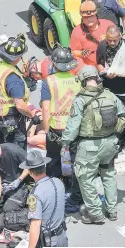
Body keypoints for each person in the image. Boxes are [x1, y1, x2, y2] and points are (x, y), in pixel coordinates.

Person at [61, 66, 125, 224]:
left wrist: (64, 143)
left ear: (84, 81)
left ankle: (95, 214)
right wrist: (117, 131)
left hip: (89, 146)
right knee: (109, 174)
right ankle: (112, 211)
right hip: (111, 143)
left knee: (85, 178)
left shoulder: (80, 100)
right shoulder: (110, 95)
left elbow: (72, 127)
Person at [0, 34, 39, 150]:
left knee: (6, 149)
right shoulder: (13, 78)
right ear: (17, 58)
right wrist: (32, 115)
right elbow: (20, 105)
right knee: (18, 149)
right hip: (11, 119)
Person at [41, 46, 81, 178]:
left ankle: (55, 187)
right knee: (76, 160)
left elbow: (46, 108)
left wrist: (47, 131)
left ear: (54, 64)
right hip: (75, 127)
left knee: (53, 161)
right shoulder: (77, 80)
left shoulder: (49, 81)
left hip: (56, 128)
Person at [70, 0, 115, 66]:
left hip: (112, 63)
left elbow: (119, 40)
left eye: (91, 16)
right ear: (82, 17)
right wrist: (82, 53)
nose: (89, 19)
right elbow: (73, 52)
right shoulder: (77, 31)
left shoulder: (108, 25)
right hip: (91, 69)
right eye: (85, 17)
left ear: (96, 15)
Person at [96, 25, 125, 94]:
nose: (112, 43)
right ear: (106, 37)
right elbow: (99, 64)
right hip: (109, 83)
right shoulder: (102, 46)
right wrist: (105, 74)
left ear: (120, 36)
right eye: (109, 40)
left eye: (115, 40)